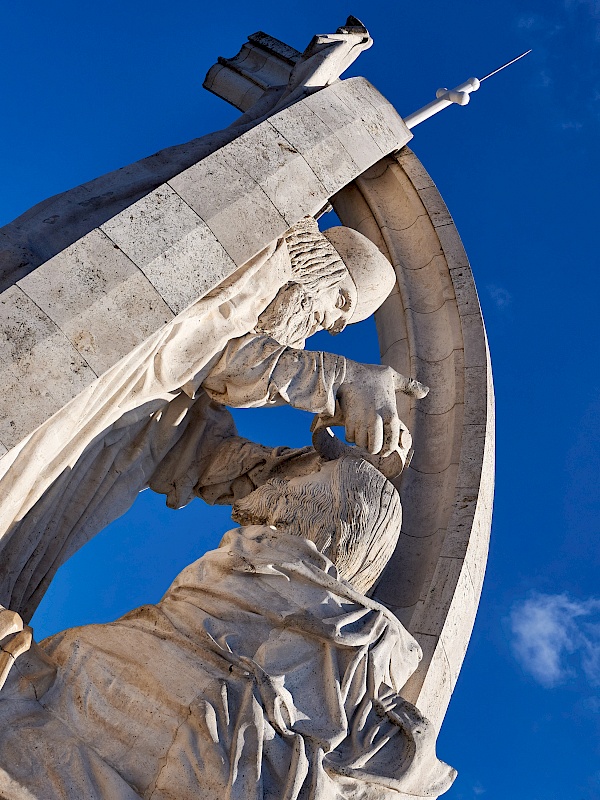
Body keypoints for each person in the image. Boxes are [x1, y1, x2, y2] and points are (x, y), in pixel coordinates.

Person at [0, 216, 427, 622]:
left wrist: (310, 474)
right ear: (321, 264)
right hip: (59, 406)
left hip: (77, 470)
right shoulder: (257, 261)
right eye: (342, 305)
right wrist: (343, 378)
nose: (334, 325)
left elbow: (194, 451)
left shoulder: (202, 383)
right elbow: (214, 352)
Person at [0, 457, 454, 799]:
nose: (277, 478)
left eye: (301, 478)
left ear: (322, 506)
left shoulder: (304, 599)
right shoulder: (317, 610)